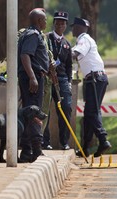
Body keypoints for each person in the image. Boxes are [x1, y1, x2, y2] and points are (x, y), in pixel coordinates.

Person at [71, 17, 111, 158]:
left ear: (80, 27)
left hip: (95, 79)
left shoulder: (84, 39)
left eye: (74, 26)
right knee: (89, 114)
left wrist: (61, 54)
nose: (72, 29)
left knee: (91, 112)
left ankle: (103, 139)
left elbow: (74, 54)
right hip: (95, 79)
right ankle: (85, 148)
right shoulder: (85, 39)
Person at [18, 8, 49, 162]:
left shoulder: (31, 33)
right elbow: (25, 55)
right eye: (44, 19)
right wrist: (32, 77)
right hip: (32, 79)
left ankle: (27, 151)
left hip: (34, 76)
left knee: (29, 113)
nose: (46, 22)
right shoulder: (33, 35)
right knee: (34, 113)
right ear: (38, 21)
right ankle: (35, 150)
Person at [43, 11, 73, 150]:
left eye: (63, 22)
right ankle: (45, 141)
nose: (60, 25)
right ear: (53, 23)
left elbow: (69, 65)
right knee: (44, 110)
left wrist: (69, 82)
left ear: (66, 25)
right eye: (57, 22)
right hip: (47, 78)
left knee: (66, 108)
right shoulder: (46, 38)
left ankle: (64, 142)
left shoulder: (67, 44)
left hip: (62, 80)